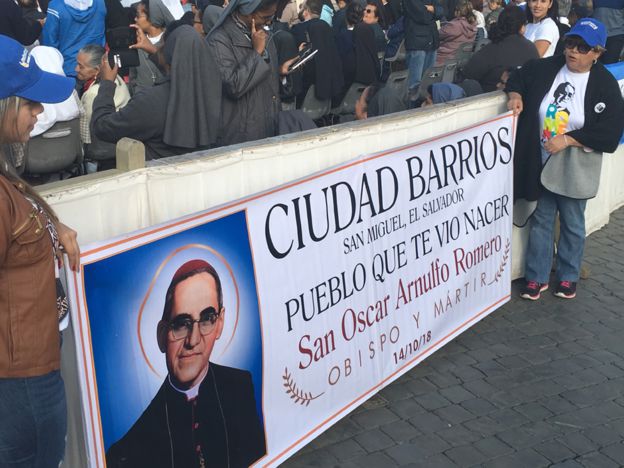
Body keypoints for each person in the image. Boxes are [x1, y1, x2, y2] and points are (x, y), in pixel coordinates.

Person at [0, 33, 80, 468]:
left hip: (32, 372)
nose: (39, 113)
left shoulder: (7, 177)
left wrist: (51, 224)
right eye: (29, 104)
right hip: (22, 385)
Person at [505, 18, 624, 300]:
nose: (573, 51)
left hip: (576, 164)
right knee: (542, 219)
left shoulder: (604, 84)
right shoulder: (549, 66)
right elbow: (519, 75)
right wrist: (515, 94)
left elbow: (609, 132)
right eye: (570, 43)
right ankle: (537, 276)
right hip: (542, 159)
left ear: (597, 53)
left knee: (572, 221)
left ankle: (568, 274)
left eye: (582, 47)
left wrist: (569, 139)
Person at [106, 259, 266, 468]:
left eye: (207, 318)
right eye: (181, 324)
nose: (193, 340)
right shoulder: (129, 448)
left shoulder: (240, 386)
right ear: (162, 335)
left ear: (220, 323)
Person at [92, 25, 221, 159]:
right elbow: (181, 74)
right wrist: (155, 52)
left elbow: (103, 127)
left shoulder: (151, 101)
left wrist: (106, 84)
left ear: (168, 54)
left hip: (157, 174)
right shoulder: (214, 93)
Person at [208, 0, 297, 146]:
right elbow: (233, 86)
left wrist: (280, 73)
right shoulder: (219, 40)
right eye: (265, 17)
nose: (268, 21)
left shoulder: (264, 34)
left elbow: (265, 77)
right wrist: (256, 52)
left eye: (271, 16)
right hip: (242, 134)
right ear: (248, 11)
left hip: (270, 125)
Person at [462, 5, 539, 91]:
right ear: (522, 27)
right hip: (523, 98)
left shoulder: (491, 49)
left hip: (490, 99)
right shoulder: (532, 48)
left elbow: (468, 73)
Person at [76, 44, 131, 152]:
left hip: (101, 150)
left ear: (97, 70)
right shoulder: (118, 79)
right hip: (122, 145)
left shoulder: (93, 93)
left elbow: (85, 131)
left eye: (81, 66)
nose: (76, 69)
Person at [41, 0, 107, 77]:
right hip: (96, 67)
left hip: (68, 68)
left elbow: (49, 44)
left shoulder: (56, 6)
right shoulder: (100, 2)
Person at [29, 45, 81, 137]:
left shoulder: (29, 92)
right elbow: (81, 114)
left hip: (37, 147)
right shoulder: (69, 88)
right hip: (71, 144)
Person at [403, 0, 444, 100]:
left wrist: (431, 9)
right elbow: (422, 15)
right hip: (417, 43)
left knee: (428, 82)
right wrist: (433, 12)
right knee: (414, 85)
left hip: (432, 41)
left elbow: (442, 12)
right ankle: (412, 111)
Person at [129, 0, 167, 93]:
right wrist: (136, 90)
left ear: (152, 17)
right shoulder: (136, 42)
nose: (135, 19)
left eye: (138, 15)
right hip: (141, 100)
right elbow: (132, 75)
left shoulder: (170, 41)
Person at [434, 0, 477, 66]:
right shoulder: (473, 25)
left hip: (444, 57)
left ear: (458, 11)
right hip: (460, 58)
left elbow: (437, 35)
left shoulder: (454, 25)